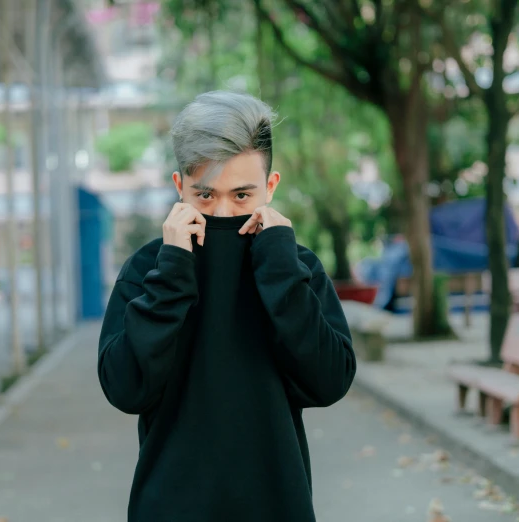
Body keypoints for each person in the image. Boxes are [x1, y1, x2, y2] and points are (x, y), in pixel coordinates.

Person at [97, 90, 356, 522]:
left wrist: (278, 268)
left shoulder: (296, 266)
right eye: (204, 195)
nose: (220, 212)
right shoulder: (147, 269)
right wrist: (174, 271)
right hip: (170, 508)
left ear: (270, 187)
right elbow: (126, 388)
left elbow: (329, 381)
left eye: (241, 196)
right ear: (179, 186)